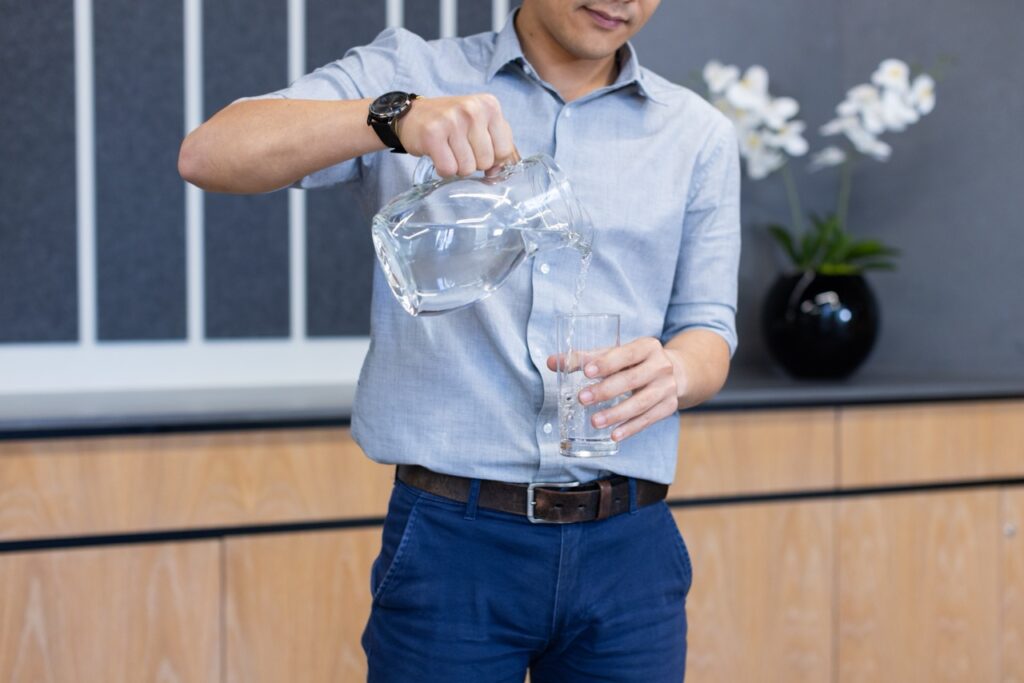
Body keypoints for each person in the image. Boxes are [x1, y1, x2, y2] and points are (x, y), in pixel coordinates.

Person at [179, 1, 740, 680]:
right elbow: (209, 153)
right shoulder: (413, 72)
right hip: (453, 543)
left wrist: (677, 371)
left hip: (629, 548)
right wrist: (391, 118)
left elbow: (708, 330)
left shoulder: (696, 134)